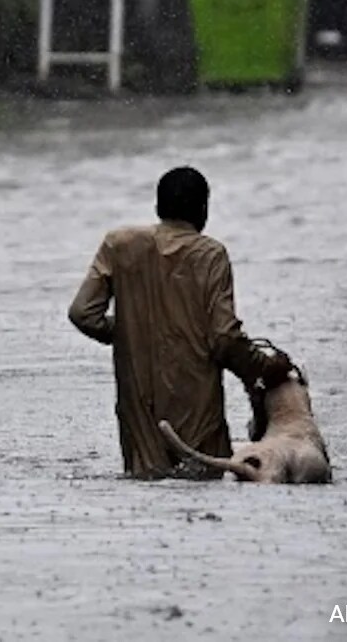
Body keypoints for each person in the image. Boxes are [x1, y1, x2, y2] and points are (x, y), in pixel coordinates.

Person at [67, 166, 293, 479]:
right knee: (202, 487)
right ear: (203, 209)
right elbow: (225, 339)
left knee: (146, 490)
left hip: (140, 413)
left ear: (158, 207)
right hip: (198, 413)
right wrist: (266, 368)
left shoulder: (119, 245)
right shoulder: (210, 254)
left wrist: (133, 331)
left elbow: (82, 313)